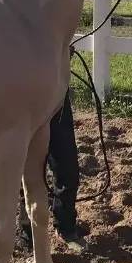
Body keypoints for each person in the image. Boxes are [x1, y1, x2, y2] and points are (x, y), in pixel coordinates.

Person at [17, 90, 85, 251]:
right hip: (23, 96)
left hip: (56, 97)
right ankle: (29, 235)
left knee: (67, 166)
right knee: (29, 172)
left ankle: (65, 227)